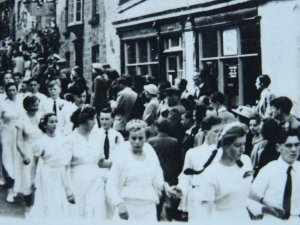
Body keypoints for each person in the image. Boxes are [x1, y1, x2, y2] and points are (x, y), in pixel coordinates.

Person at [190, 122, 252, 224]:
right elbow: (204, 212)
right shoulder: (211, 174)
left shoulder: (246, 163)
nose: (243, 149)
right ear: (225, 146)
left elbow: (246, 196)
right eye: (237, 145)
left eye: (244, 144)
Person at [106, 119, 164, 221]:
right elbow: (111, 183)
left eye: (140, 138)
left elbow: (158, 177)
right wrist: (119, 204)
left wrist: (166, 187)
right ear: (128, 138)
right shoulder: (122, 155)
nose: (137, 142)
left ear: (145, 138)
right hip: (127, 206)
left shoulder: (150, 152)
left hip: (148, 206)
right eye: (133, 138)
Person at [172, 116, 223, 220]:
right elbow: (185, 176)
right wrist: (180, 189)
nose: (219, 135)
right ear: (205, 133)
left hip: (218, 199)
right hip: (198, 199)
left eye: (221, 131)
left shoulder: (224, 154)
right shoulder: (193, 153)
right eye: (215, 131)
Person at [28, 113, 74, 219]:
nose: (54, 124)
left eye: (56, 122)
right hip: (48, 174)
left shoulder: (61, 138)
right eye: (51, 122)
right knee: (49, 200)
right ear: (45, 125)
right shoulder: (41, 142)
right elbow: (34, 162)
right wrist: (32, 179)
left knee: (61, 200)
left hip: (62, 173)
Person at [248, 127, 300, 222]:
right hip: (272, 220)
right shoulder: (268, 170)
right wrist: (266, 209)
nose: (293, 149)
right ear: (278, 147)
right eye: (288, 145)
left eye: (297, 145)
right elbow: (250, 199)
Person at [67, 106, 107, 219]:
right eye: (93, 119)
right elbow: (64, 167)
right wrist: (67, 189)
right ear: (83, 119)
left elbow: (101, 162)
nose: (95, 122)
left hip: (95, 181)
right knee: (79, 213)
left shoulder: (97, 138)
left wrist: (118, 162)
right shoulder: (70, 140)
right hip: (77, 182)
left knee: (97, 211)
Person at [148, 119, 182, 221]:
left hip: (156, 176)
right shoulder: (175, 142)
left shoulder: (151, 141)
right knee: (170, 203)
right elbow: (178, 160)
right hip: (171, 175)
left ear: (157, 128)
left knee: (157, 204)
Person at [15, 96, 43, 209]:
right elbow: (18, 141)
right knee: (28, 180)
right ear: (27, 106)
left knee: (40, 178)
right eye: (33, 105)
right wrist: (24, 155)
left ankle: (39, 207)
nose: (36, 107)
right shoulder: (21, 119)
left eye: (37, 105)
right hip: (28, 151)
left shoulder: (41, 116)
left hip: (41, 151)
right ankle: (28, 207)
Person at [0, 82, 24, 202]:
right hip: (7, 133)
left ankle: (18, 186)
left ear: (17, 90)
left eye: (14, 90)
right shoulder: (2, 104)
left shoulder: (22, 102)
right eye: (9, 90)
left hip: (20, 134)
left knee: (18, 159)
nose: (11, 92)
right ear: (6, 91)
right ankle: (10, 188)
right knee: (7, 159)